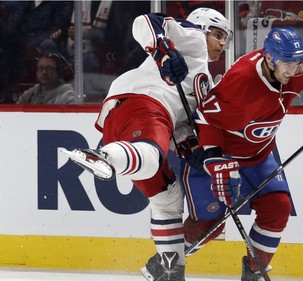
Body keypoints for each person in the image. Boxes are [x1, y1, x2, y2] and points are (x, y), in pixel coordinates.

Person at [62, 8, 232, 281]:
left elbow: (180, 126)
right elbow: (145, 21)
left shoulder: (203, 81)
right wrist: (163, 50)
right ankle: (103, 157)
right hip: (145, 106)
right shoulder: (193, 38)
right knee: (152, 158)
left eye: (226, 39)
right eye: (219, 35)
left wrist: (191, 148)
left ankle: (170, 272)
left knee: (168, 198)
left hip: (124, 125)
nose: (223, 44)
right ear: (202, 28)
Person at [182, 26, 303, 281]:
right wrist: (215, 161)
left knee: (278, 208)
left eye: (298, 63)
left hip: (260, 154)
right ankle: (166, 260)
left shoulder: (298, 64)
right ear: (270, 59)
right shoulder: (242, 80)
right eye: (288, 65)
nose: (294, 72)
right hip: (224, 156)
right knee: (208, 227)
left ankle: (254, 271)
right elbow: (206, 119)